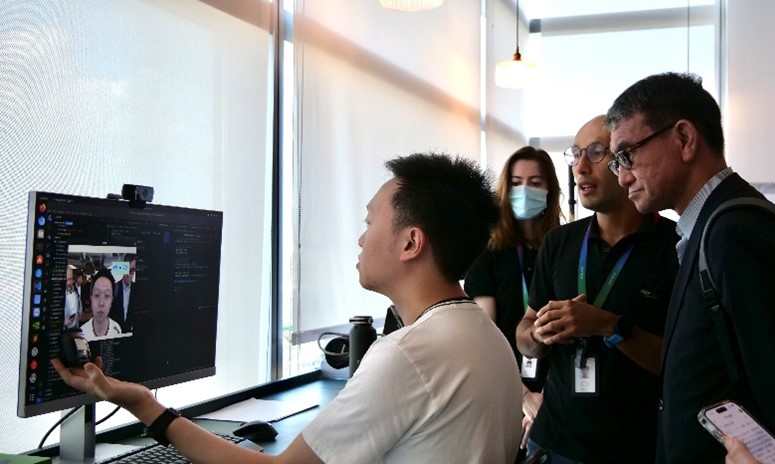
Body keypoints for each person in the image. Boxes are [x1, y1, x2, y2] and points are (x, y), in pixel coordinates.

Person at [53, 152, 523, 463]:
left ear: (410, 242)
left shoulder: (411, 353)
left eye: (370, 220)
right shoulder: (482, 335)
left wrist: (143, 404)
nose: (361, 237)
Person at [605, 72, 775, 462]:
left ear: (685, 139)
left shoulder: (735, 232)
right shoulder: (712, 226)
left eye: (627, 155)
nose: (622, 177)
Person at [515, 115, 679, 462]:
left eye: (595, 152)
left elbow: (677, 360)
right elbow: (524, 331)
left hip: (635, 447)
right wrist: (539, 336)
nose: (581, 167)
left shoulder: (674, 244)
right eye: (575, 154)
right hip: (553, 442)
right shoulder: (559, 242)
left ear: (624, 160)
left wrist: (608, 325)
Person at [463, 146, 562, 452]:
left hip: (559, 390)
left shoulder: (565, 247)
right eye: (517, 182)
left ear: (549, 189)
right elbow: (484, 338)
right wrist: (524, 397)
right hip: (504, 389)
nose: (524, 190)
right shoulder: (488, 252)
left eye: (535, 182)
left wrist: (547, 398)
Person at [79, 269, 123, 340]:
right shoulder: (82, 333)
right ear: (91, 298)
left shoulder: (117, 330)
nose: (101, 303)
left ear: (111, 300)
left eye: (107, 295)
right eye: (97, 295)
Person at [112, 257, 136, 332]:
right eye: (127, 270)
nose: (128, 275)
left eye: (131, 271)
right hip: (115, 331)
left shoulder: (138, 289)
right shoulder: (114, 288)